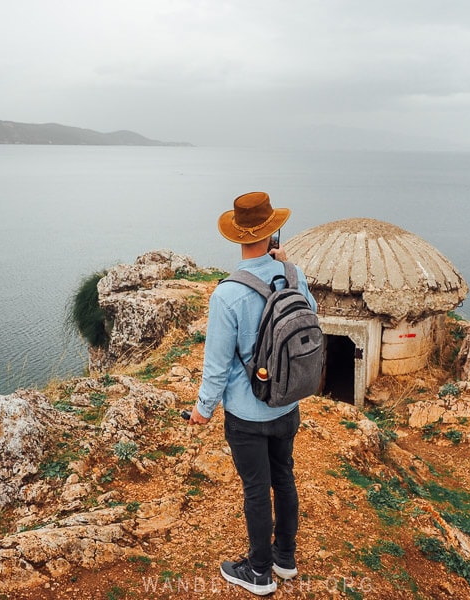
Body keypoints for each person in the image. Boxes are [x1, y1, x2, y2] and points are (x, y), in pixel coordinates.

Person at [188, 191, 317, 596]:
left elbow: (218, 365)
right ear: (271, 232)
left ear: (237, 236)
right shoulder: (295, 276)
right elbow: (310, 319)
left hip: (247, 414)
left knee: (256, 489)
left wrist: (202, 410)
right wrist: (285, 265)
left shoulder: (227, 294)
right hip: (287, 402)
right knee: (284, 475)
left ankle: (259, 572)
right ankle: (285, 558)